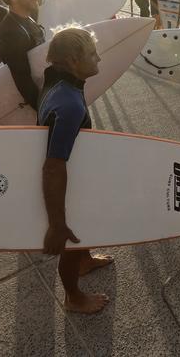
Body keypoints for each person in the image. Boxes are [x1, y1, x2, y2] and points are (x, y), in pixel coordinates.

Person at [37, 27, 113, 313]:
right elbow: (53, 166)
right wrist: (57, 224)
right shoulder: (68, 104)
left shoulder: (57, 81)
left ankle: (84, 260)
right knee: (70, 235)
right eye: (92, 55)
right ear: (72, 60)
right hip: (68, 181)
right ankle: (73, 297)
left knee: (83, 229)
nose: (99, 59)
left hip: (78, 171)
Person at [0, 0, 46, 109]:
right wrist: (46, 111)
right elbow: (25, 83)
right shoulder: (11, 32)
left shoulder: (27, 17)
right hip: (38, 104)